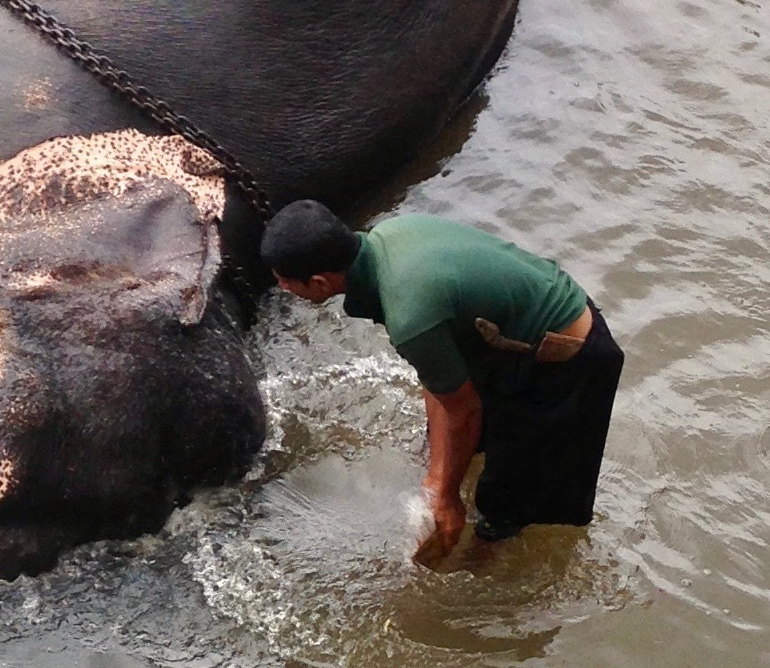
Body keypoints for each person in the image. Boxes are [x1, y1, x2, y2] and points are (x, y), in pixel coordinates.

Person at [259, 201, 623, 563]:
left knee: (505, 501)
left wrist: (447, 497)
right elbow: (437, 376)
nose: (283, 287)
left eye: (286, 281)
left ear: (319, 281)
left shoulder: (409, 313)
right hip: (508, 340)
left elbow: (463, 410)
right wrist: (437, 474)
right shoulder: (390, 236)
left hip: (570, 358)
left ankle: (487, 571)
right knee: (453, 447)